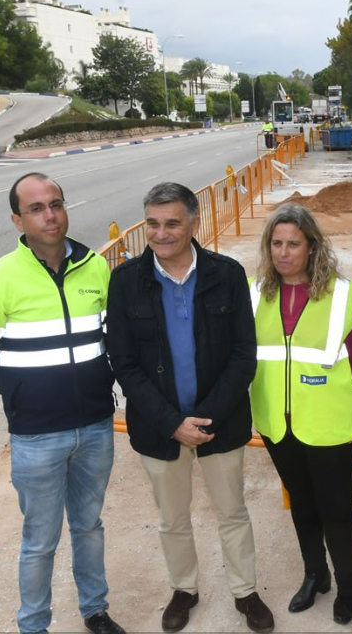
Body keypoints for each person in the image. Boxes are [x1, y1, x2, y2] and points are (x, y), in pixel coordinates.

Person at [105, 182, 274, 634]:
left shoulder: (227, 274)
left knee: (232, 511)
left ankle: (245, 591)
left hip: (220, 423)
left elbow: (244, 355)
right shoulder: (125, 282)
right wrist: (172, 424)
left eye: (172, 223)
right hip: (159, 428)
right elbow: (122, 360)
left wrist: (205, 419)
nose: (161, 234)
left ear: (194, 222)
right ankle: (184, 588)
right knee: (172, 518)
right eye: (153, 224)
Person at [0, 173, 124, 634]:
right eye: (36, 208)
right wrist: (25, 395)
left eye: (55, 203)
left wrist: (101, 387)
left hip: (95, 426)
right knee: (40, 540)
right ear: (17, 219)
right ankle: (34, 625)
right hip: (36, 434)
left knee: (89, 526)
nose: (49, 215)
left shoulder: (95, 265)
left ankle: (95, 609)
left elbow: (111, 338)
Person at [248, 204, 352, 634]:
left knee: (337, 512)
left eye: (294, 243)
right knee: (302, 506)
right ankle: (316, 575)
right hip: (277, 423)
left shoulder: (343, 295)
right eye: (276, 243)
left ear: (312, 247)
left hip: (326, 424)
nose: (284, 252)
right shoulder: (256, 294)